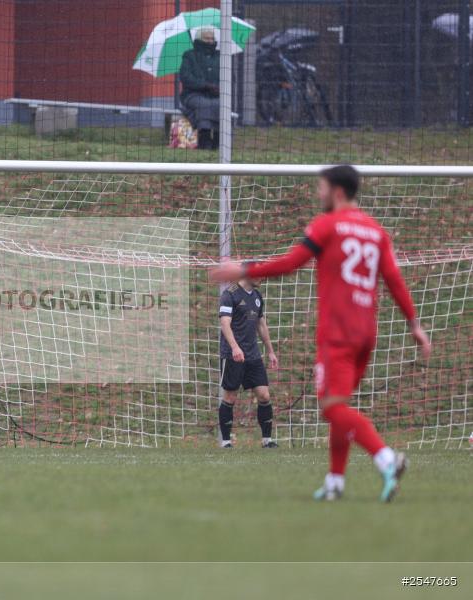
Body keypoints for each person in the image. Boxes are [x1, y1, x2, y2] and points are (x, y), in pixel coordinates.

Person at [211, 165, 431, 502]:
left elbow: (291, 263)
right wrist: (414, 323)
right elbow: (394, 279)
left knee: (331, 408)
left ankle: (386, 459)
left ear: (337, 192)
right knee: (339, 403)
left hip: (338, 332)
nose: (318, 193)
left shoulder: (327, 225)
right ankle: (335, 482)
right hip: (366, 333)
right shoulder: (375, 231)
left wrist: (244, 269)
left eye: (322, 187)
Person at [218, 277, 279, 448]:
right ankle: (226, 442)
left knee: (264, 395)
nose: (264, 276)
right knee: (230, 396)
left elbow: (261, 325)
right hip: (233, 355)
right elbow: (225, 323)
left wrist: (271, 351)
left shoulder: (257, 296)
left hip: (253, 355)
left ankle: (267, 441)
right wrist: (235, 348)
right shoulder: (229, 295)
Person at [179, 27, 220, 150]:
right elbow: (185, 77)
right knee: (204, 104)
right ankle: (205, 139)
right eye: (206, 38)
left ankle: (219, 140)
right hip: (193, 94)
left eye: (212, 38)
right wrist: (204, 85)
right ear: (198, 39)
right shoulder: (189, 56)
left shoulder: (220, 56)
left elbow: (228, 76)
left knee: (221, 104)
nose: (210, 41)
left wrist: (218, 87)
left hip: (216, 94)